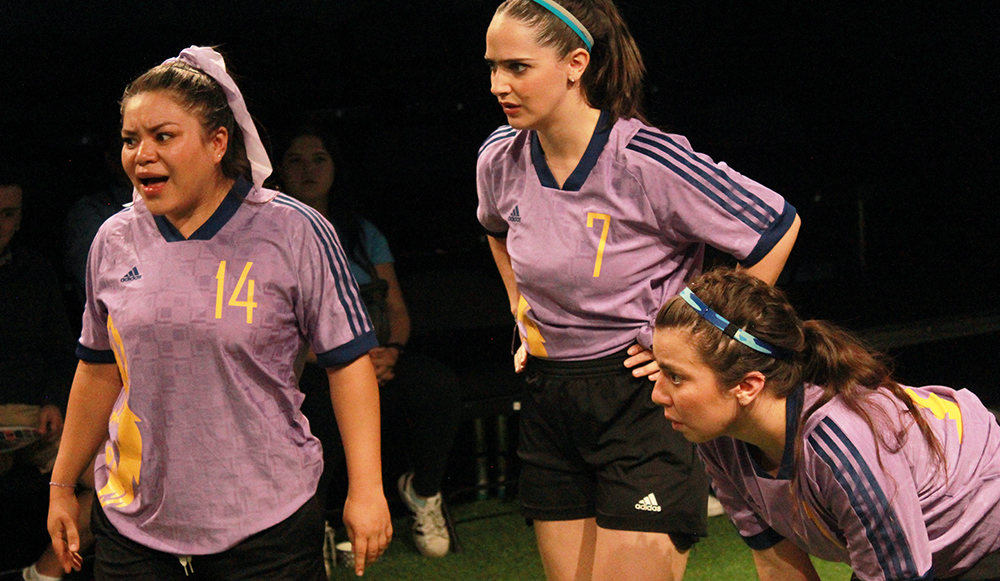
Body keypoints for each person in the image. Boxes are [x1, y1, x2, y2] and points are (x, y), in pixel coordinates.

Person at [477, 1, 801, 579]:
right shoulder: (499, 158)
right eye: (492, 66)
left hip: (642, 402)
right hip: (551, 400)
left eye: (518, 67)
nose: (499, 84)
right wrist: (518, 307)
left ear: (576, 64)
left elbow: (776, 225)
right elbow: (495, 231)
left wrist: (699, 345)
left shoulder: (646, 158)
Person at [45, 47, 391, 580]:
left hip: (265, 527)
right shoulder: (112, 240)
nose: (142, 154)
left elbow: (348, 364)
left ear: (217, 142)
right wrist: (63, 485)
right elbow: (97, 368)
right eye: (130, 140)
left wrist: (367, 490)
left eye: (163, 136)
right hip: (134, 526)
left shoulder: (292, 231)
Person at [651, 268, 1000, 581]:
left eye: (675, 377)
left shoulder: (840, 445)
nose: (657, 394)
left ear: (747, 386)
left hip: (985, 537)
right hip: (922, 555)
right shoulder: (720, 439)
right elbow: (778, 565)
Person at [278, 122, 461, 558]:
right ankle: (316, 521)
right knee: (319, 410)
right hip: (312, 366)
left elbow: (396, 310)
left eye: (319, 159)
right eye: (296, 160)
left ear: (336, 168)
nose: (308, 169)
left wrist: (391, 353)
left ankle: (423, 492)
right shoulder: (272, 232)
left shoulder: (362, 233)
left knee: (438, 386)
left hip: (375, 357)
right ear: (278, 170)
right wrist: (336, 362)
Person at [0, 176, 94, 581]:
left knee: (120, 481)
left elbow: (63, 350)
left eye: (8, 214)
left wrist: (55, 401)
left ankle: (42, 574)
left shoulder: (35, 270)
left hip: (32, 415)